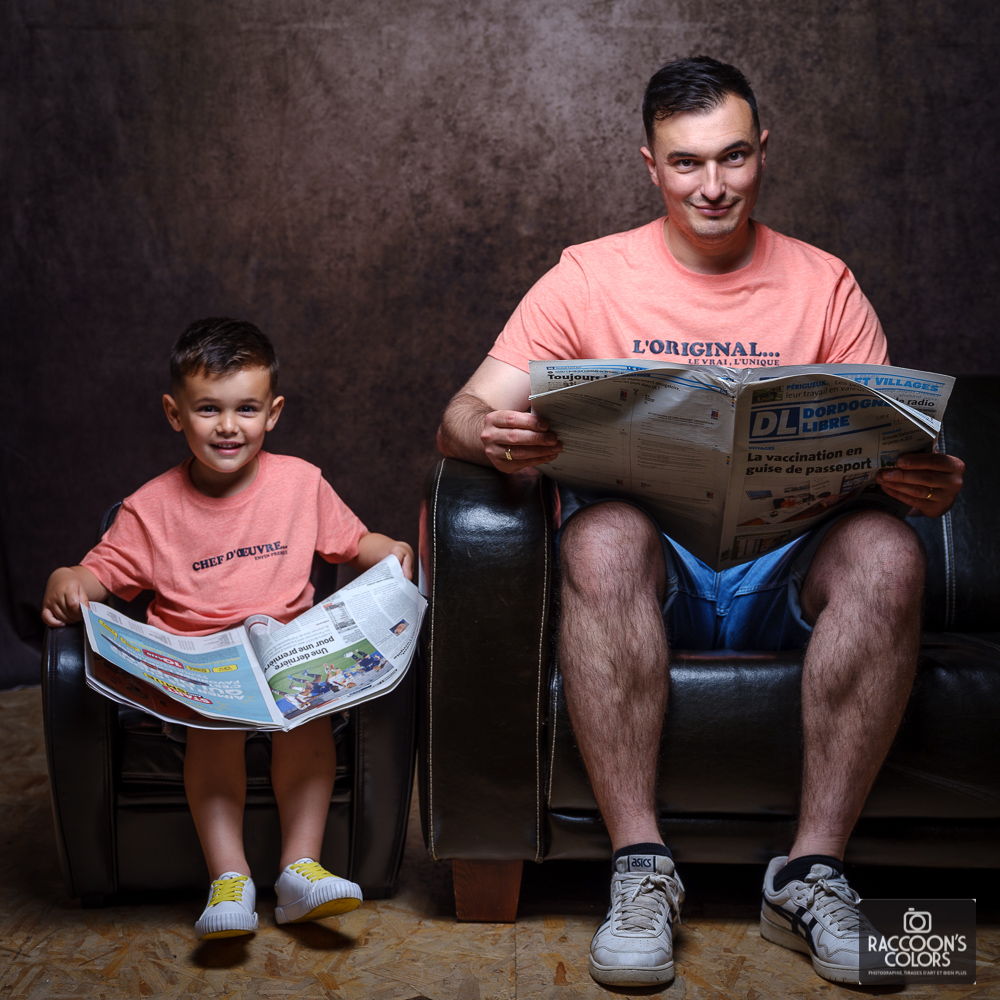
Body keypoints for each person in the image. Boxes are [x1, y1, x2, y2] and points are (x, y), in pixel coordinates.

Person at [436, 57, 964, 987]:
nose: (712, 187)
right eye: (686, 164)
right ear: (650, 165)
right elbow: (459, 416)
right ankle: (640, 870)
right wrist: (497, 435)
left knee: (888, 553)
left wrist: (921, 480)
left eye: (732, 159)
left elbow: (889, 449)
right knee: (596, 535)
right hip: (652, 570)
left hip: (786, 567)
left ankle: (811, 875)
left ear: (764, 152)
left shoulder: (827, 283)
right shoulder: (587, 277)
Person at [42, 318, 414, 942]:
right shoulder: (151, 507)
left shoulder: (300, 482)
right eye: (207, 409)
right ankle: (230, 880)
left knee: (307, 720)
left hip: (289, 655)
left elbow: (353, 542)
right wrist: (70, 577)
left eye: (246, 408)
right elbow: (100, 572)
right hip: (198, 669)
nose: (227, 426)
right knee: (214, 735)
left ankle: (300, 871)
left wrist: (389, 548)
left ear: (273, 413)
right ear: (174, 413)